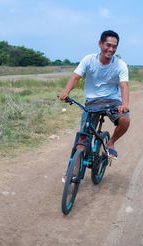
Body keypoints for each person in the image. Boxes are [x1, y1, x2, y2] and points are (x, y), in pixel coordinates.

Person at [59, 30, 130, 160]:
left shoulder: (120, 65)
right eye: (108, 45)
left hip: (113, 101)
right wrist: (66, 93)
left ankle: (111, 143)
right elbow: (76, 78)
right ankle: (73, 173)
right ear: (100, 44)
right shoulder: (89, 60)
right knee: (82, 139)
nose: (111, 49)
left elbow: (124, 85)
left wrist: (124, 104)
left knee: (125, 120)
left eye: (114, 47)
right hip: (92, 101)